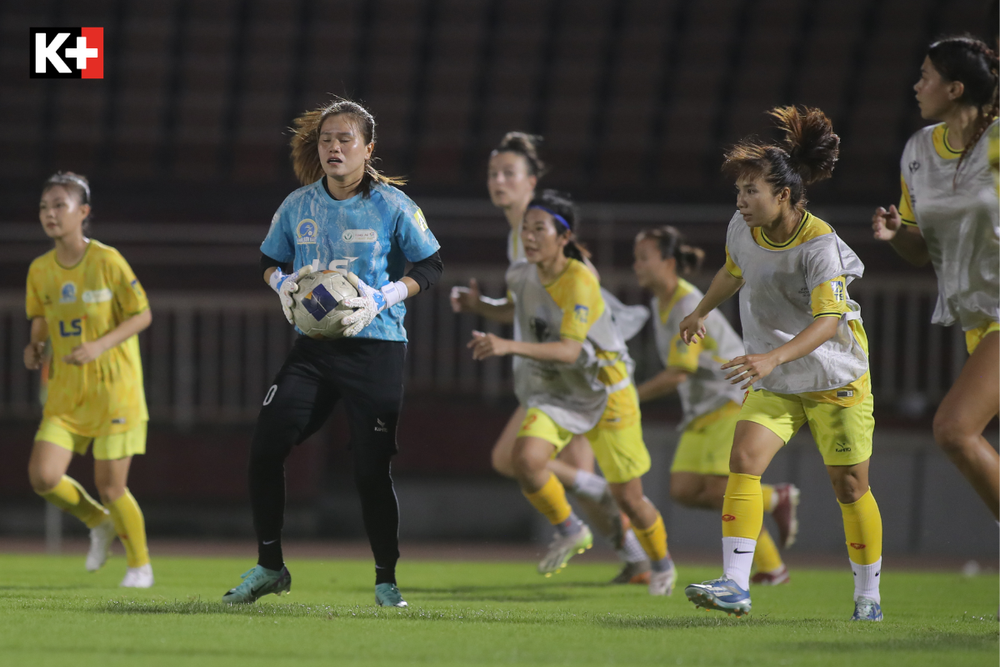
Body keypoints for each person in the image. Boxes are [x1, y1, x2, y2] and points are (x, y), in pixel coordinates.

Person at [222, 99, 443, 607]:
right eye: (326, 139)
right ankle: (269, 566)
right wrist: (280, 283)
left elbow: (431, 266)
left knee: (370, 470)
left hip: (378, 348)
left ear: (368, 148)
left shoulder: (392, 205)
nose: (334, 147)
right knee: (265, 448)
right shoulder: (298, 204)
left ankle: (386, 581)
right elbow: (267, 258)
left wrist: (383, 297)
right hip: (315, 349)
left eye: (345, 139)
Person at [682, 107, 883, 621]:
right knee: (744, 461)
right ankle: (735, 585)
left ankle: (868, 597)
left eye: (752, 190)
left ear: (785, 196)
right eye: (739, 190)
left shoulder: (820, 245)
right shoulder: (742, 227)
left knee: (851, 486)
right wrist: (700, 310)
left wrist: (771, 356)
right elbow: (733, 271)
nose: (741, 200)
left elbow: (828, 320)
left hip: (834, 375)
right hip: (776, 375)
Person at [451, 133, 652, 583]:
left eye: (509, 173)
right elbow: (527, 306)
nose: (498, 181)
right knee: (559, 474)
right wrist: (482, 306)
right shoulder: (521, 238)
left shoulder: (545, 232)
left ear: (532, 181)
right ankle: (636, 559)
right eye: (492, 174)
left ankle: (626, 543)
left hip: (584, 374)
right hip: (557, 371)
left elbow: (579, 292)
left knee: (518, 459)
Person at [873, 36, 999, 523]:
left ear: (955, 88)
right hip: (978, 318)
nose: (916, 84)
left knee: (954, 429)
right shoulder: (918, 151)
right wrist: (895, 234)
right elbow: (919, 250)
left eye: (926, 75)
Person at [632, 225, 799, 585]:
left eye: (644, 258)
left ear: (669, 262)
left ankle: (772, 566)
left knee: (726, 489)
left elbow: (678, 372)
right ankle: (772, 500)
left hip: (731, 397)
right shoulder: (660, 303)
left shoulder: (686, 302)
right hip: (702, 408)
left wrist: (629, 396)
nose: (637, 266)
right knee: (686, 490)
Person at [26, 172, 154, 587]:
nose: (50, 214)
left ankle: (140, 565)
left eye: (59, 205)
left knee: (110, 485)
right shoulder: (40, 269)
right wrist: (35, 346)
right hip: (66, 391)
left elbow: (142, 314)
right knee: (43, 476)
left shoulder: (107, 261)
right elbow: (42, 317)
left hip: (115, 390)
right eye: (45, 206)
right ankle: (97, 523)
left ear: (83, 212)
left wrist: (100, 345)